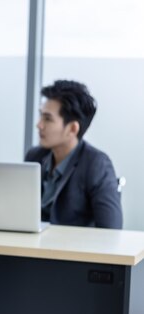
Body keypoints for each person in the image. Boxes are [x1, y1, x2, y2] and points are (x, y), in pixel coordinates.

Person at [25, 80, 122, 229]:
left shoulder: (97, 164)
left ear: (72, 129)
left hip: (71, 250)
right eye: (41, 116)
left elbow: (111, 230)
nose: (39, 125)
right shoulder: (35, 156)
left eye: (48, 119)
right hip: (30, 248)